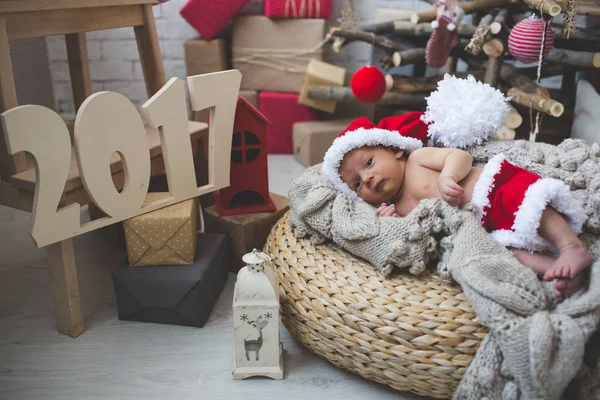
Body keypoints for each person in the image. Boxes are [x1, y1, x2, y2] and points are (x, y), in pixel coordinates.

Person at [321, 112, 592, 301]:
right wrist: (388, 221)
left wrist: (447, 175)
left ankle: (571, 247)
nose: (367, 179)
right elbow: (416, 234)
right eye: (356, 184)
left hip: (493, 191)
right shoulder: (395, 205)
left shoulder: (418, 160)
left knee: (531, 203)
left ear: (395, 150)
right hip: (486, 228)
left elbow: (458, 156)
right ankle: (556, 271)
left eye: (369, 163)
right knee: (509, 254)